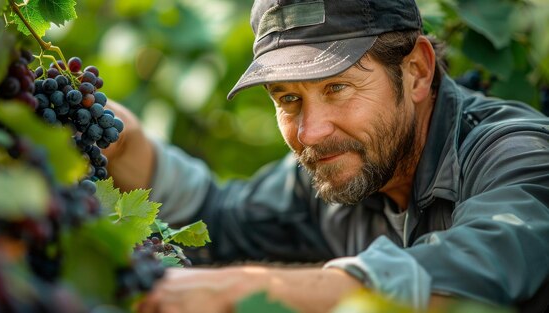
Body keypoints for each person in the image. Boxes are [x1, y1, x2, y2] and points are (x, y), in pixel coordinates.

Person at [104, 0, 549, 312]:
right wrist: (124, 142)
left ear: (416, 71)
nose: (310, 132)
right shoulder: (336, 168)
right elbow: (220, 220)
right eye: (287, 99)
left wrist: (247, 289)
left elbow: (482, 271)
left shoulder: (518, 152)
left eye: (337, 87)